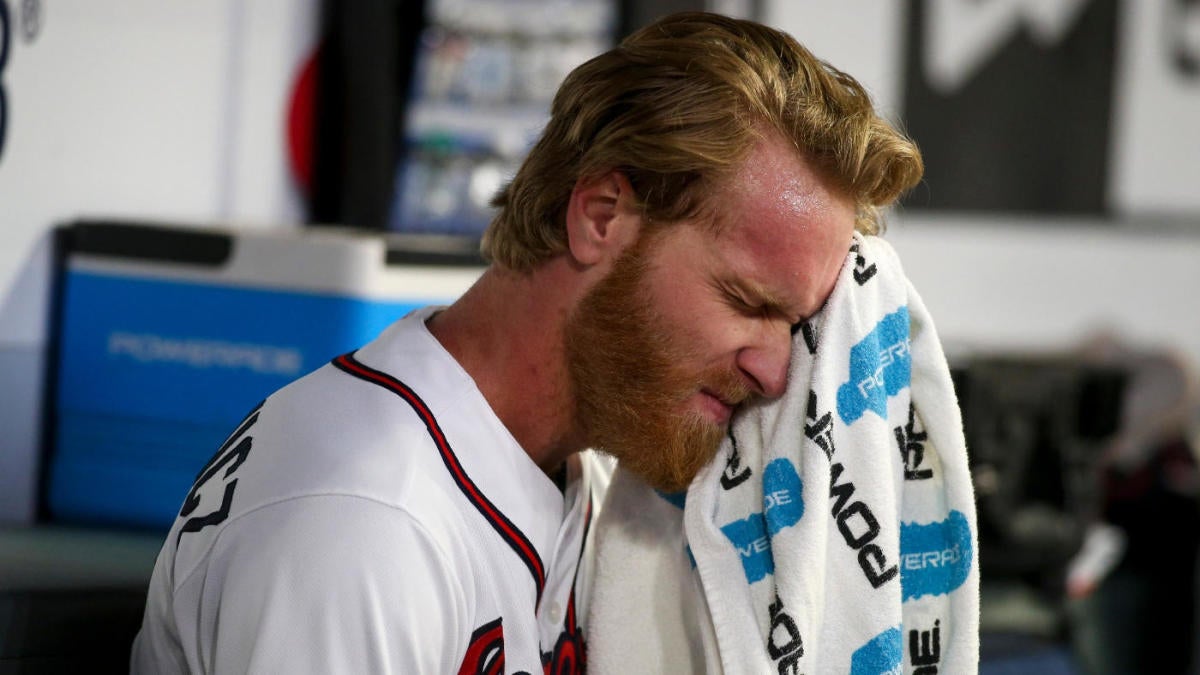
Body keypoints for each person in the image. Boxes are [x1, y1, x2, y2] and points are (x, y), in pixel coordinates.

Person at [131, 11, 922, 673]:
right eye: (746, 300)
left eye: (795, 323)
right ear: (602, 215)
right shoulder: (362, 527)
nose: (777, 367)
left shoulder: (599, 466)